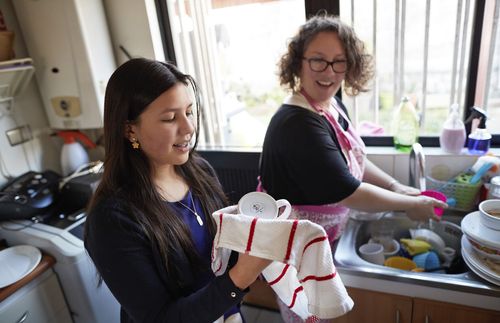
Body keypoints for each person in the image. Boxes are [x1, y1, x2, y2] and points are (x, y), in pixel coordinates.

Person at [259, 14, 447, 322]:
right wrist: (410, 205)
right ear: (298, 63)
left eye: (339, 61)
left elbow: (352, 159)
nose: (329, 72)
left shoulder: (329, 104)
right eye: (318, 61)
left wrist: (395, 186)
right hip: (299, 247)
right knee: (307, 312)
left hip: (325, 239)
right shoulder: (298, 124)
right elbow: (350, 191)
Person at [84, 58, 270, 323]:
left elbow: (219, 253)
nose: (189, 128)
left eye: (190, 112)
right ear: (130, 130)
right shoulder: (112, 221)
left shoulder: (199, 171)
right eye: (170, 118)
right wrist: (241, 276)